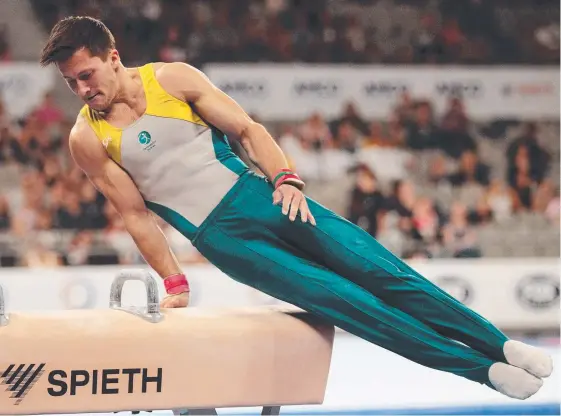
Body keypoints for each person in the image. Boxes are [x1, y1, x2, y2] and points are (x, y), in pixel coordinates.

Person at [39, 16, 553, 400]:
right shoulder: (88, 138)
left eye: (87, 75)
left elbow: (248, 130)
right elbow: (135, 215)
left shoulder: (172, 79)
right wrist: (175, 282)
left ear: (112, 55)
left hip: (266, 199)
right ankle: (481, 372)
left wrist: (285, 178)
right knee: (351, 304)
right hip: (224, 241)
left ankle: (500, 346)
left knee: (384, 273)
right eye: (72, 84)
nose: (84, 91)